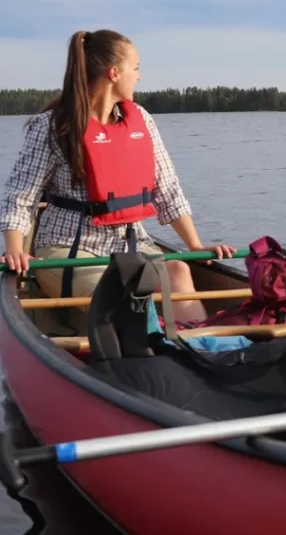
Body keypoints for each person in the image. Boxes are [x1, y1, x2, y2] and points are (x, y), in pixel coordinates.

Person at [0, 30, 234, 325]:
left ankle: (200, 353)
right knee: (115, 294)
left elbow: (168, 190)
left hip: (132, 243)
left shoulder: (142, 119)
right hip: (69, 247)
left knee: (178, 273)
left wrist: (195, 245)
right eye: (135, 69)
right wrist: (14, 250)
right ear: (114, 73)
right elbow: (19, 195)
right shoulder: (52, 126)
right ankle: (140, 358)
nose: (139, 77)